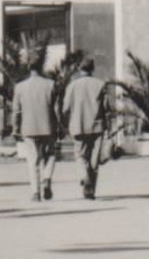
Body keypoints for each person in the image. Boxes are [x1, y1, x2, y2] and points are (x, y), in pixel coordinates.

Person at [12, 55, 59, 203]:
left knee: (32, 160)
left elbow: (16, 111)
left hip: (28, 128)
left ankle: (35, 192)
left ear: (28, 68)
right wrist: (60, 126)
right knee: (51, 155)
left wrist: (15, 128)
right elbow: (56, 108)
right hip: (48, 127)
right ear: (41, 67)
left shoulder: (19, 87)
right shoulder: (51, 84)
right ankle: (47, 178)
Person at [63, 57, 109, 200]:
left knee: (80, 155)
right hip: (97, 125)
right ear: (92, 69)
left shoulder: (72, 86)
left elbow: (65, 108)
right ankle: (90, 192)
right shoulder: (100, 85)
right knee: (94, 159)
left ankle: (84, 176)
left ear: (79, 69)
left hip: (78, 125)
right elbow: (107, 108)